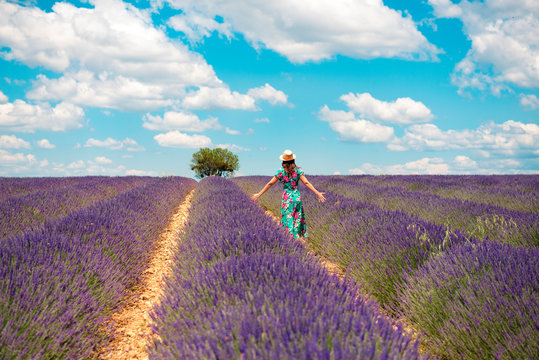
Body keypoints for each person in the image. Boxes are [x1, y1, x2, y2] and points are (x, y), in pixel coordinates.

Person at [251, 149, 326, 239]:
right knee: (297, 219)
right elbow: (306, 183)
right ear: (293, 160)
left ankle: (289, 239)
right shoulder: (298, 170)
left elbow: (270, 183)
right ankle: (296, 238)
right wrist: (317, 193)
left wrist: (259, 194)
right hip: (297, 198)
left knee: (288, 219)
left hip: (287, 199)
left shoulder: (280, 171)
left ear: (283, 161)